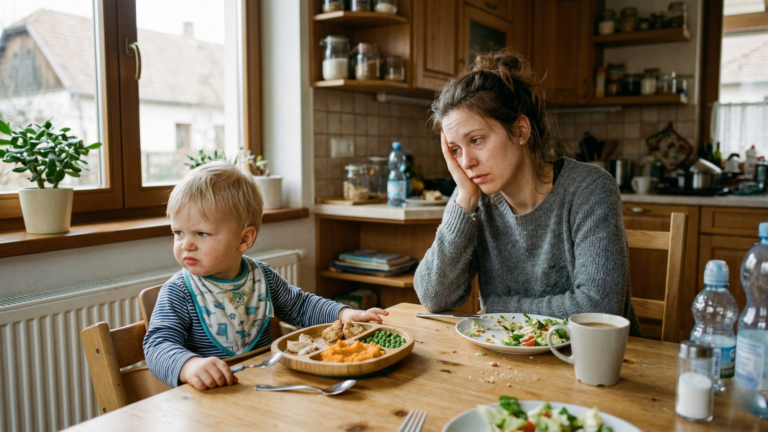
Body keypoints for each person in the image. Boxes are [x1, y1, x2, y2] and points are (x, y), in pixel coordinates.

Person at [413, 48, 641, 336]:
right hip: (509, 360)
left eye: (477, 140)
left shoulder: (589, 188)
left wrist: (499, 309)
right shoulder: (473, 196)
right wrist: (465, 199)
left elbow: (599, 308)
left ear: (521, 131)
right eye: (456, 150)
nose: (467, 162)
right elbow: (434, 298)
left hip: (591, 361)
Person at [144, 161, 388, 389]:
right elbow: (157, 345)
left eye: (201, 234)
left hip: (261, 387)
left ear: (244, 239)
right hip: (209, 399)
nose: (186, 244)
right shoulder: (179, 291)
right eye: (178, 233)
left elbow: (301, 306)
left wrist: (343, 314)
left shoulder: (262, 277)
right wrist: (188, 365)